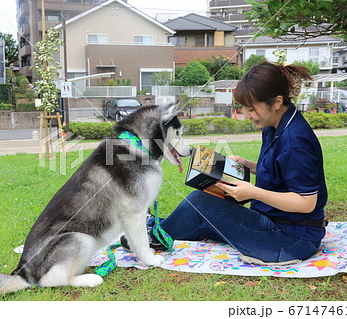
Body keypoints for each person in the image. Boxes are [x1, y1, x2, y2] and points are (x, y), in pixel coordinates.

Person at [121, 62, 328, 265]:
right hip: (274, 223)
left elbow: (306, 203)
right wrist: (247, 165)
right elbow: (281, 172)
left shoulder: (295, 142)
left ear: (276, 102)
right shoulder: (275, 126)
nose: (246, 115)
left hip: (290, 240)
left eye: (251, 109)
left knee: (200, 203)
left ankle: (153, 238)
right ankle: (160, 230)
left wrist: (254, 192)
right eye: (243, 108)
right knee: (201, 214)